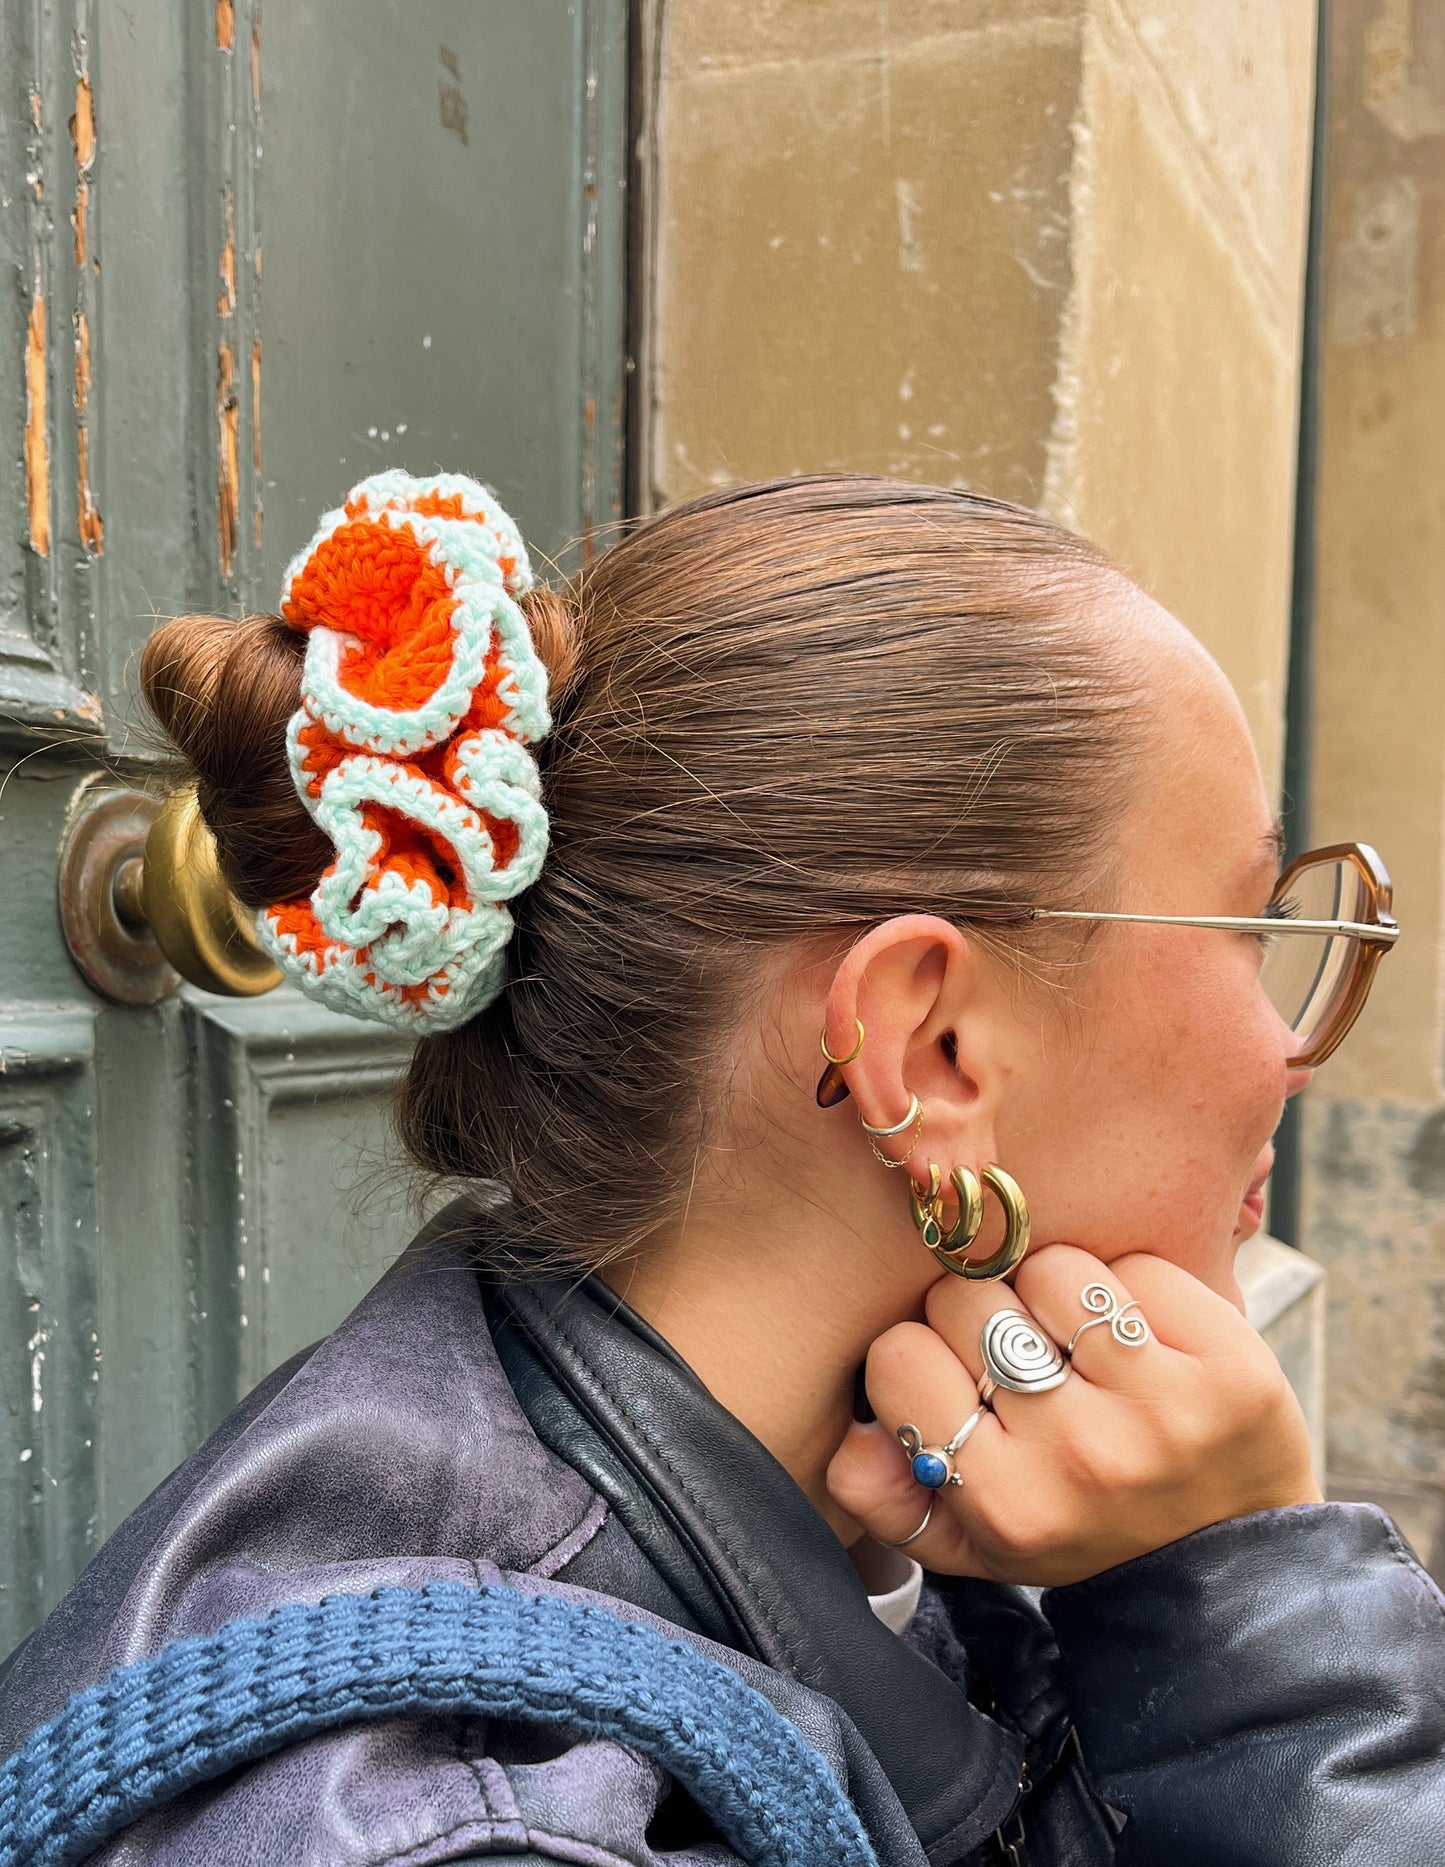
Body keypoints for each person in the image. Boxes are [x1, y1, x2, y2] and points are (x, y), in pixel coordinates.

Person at [0, 470, 1439, 1866]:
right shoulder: (474, 1824)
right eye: (1250, 930)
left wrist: (1176, 1593)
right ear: (929, 1050)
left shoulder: (837, 1502)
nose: (1289, 1052)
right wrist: (1269, 1649)